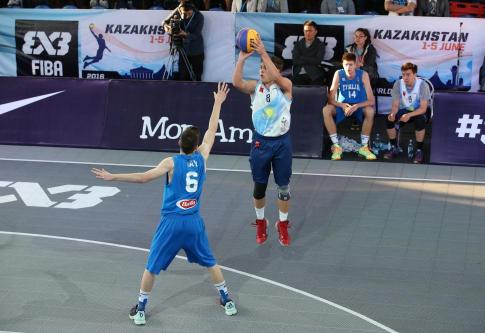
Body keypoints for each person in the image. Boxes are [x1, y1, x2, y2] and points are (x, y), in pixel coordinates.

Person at [91, 83, 237, 326]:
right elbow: (212, 129)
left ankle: (140, 309)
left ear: (179, 142)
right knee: (211, 262)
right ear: (196, 144)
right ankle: (227, 300)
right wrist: (218, 103)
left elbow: (144, 178)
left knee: (151, 268)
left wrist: (113, 176)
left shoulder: (170, 162)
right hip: (193, 221)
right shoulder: (202, 157)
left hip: (171, 223)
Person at [232, 37, 293, 247]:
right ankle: (261, 221)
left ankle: (282, 224)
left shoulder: (286, 87)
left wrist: (264, 53)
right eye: (259, 67)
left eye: (264, 67)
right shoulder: (254, 87)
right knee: (259, 187)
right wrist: (241, 60)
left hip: (282, 144)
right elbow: (236, 83)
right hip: (261, 144)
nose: (261, 70)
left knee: (283, 188)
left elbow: (276, 75)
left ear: (274, 70)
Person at [322, 52, 376, 161]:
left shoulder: (363, 74)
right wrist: (341, 105)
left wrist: (356, 106)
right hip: (343, 106)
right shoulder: (338, 74)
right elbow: (331, 99)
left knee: (370, 111)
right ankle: (337, 146)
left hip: (358, 106)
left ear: (356, 65)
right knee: (326, 109)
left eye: (351, 65)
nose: (348, 67)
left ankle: (364, 147)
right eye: (346, 64)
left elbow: (371, 100)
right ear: (342, 64)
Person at [384, 62, 431, 164]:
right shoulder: (398, 84)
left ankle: (419, 151)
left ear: (415, 74)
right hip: (405, 110)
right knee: (389, 119)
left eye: (408, 74)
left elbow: (423, 108)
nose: (405, 77)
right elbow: (395, 105)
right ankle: (394, 147)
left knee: (419, 120)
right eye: (403, 74)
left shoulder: (422, 85)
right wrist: (393, 114)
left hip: (419, 111)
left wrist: (409, 115)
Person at [162, 1, 205, 81]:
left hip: (196, 50)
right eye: (184, 14)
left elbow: (196, 35)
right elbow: (164, 22)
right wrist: (168, 28)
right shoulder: (178, 10)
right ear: (180, 10)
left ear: (193, 10)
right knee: (183, 77)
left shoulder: (199, 17)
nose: (187, 16)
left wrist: (184, 34)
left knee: (197, 76)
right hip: (183, 49)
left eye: (189, 13)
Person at [292, 20, 325, 86]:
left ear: (315, 32)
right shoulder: (298, 44)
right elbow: (295, 60)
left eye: (310, 31)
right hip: (298, 74)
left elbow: (318, 61)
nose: (307, 33)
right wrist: (311, 59)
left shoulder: (320, 45)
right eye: (306, 31)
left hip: (315, 75)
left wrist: (301, 57)